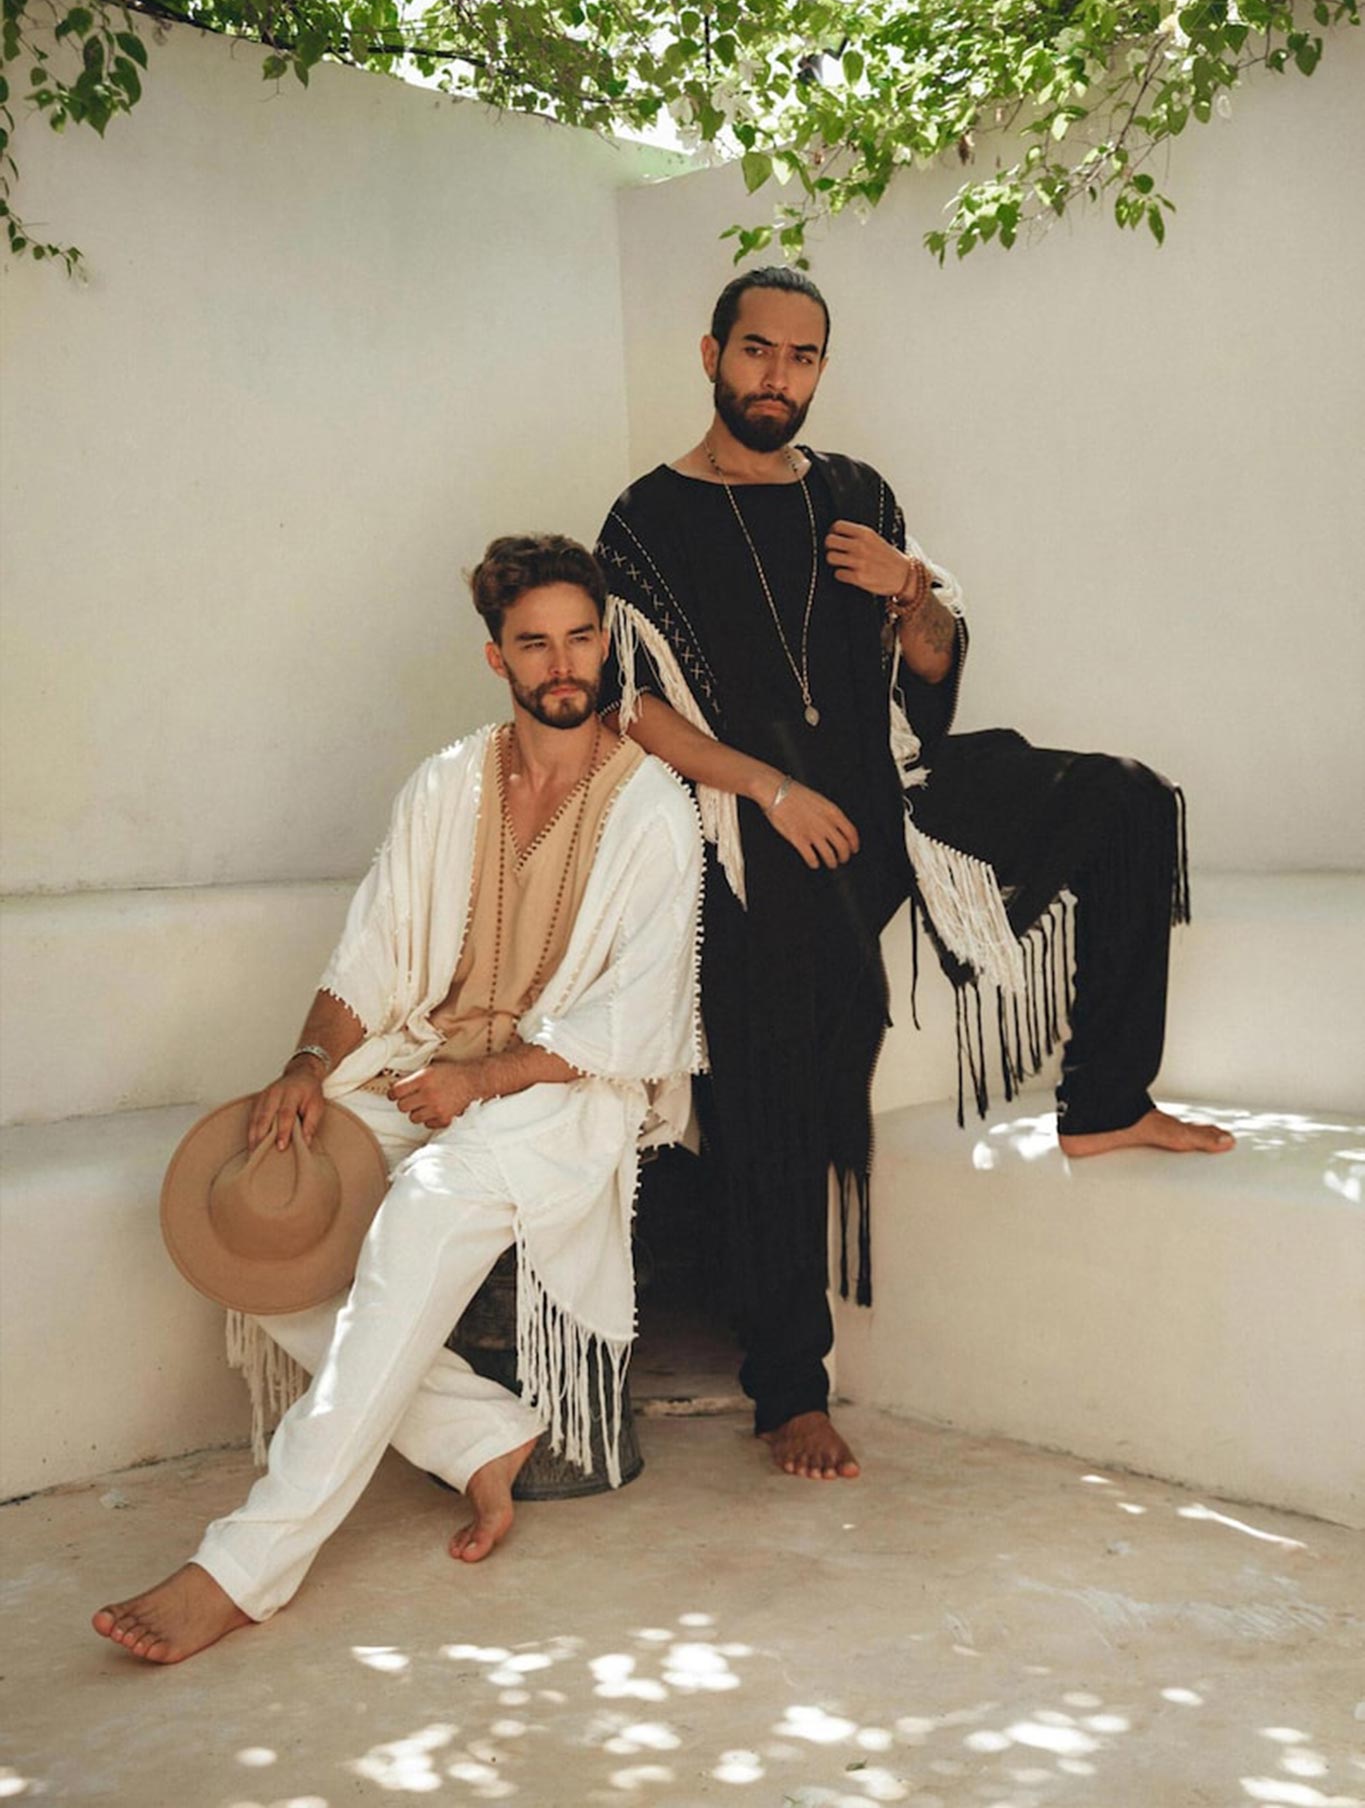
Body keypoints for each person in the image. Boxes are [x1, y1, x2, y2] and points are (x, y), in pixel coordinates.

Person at [594, 266, 1233, 1485]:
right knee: (779, 1016)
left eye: (804, 357)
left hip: (897, 790)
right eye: (759, 351)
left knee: (1128, 798)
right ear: (711, 352)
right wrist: (771, 791)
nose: (779, 376)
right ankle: (790, 1386)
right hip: (758, 821)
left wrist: (913, 588)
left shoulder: (855, 493)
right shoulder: (644, 519)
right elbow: (637, 711)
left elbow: (933, 663)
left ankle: (1104, 1098)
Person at [92, 534, 704, 1664]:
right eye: (536, 642)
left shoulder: (655, 805)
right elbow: (369, 959)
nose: (563, 661)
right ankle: (481, 1435)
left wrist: (484, 1079)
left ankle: (243, 1565)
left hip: (555, 1091)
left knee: (421, 1206)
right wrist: (305, 1065)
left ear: (605, 641)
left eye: (581, 635)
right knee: (267, 1212)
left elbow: (638, 1018)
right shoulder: (447, 781)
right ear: (497, 656)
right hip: (423, 1064)